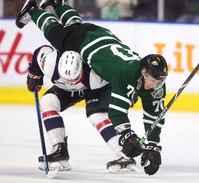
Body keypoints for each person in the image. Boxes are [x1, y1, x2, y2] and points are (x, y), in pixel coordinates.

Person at [16, 0, 169, 175]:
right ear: (143, 72)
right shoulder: (125, 73)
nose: (155, 85)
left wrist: (153, 146)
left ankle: (57, 3)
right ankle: (34, 10)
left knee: (75, 27)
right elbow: (117, 112)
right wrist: (34, 73)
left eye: (159, 81)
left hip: (101, 39)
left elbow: (153, 115)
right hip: (85, 41)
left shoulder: (152, 81)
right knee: (55, 34)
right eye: (153, 80)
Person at [27, 45, 140, 173]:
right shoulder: (49, 63)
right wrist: (34, 73)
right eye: (67, 79)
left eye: (74, 79)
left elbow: (120, 71)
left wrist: (128, 91)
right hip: (66, 88)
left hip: (97, 88)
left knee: (97, 116)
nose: (72, 83)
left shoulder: (96, 75)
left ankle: (124, 154)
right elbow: (40, 52)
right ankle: (59, 149)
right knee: (47, 102)